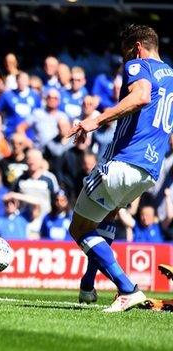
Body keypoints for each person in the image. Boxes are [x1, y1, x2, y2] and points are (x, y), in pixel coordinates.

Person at [66, 25, 172, 312]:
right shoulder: (171, 75)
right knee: (106, 217)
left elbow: (140, 97)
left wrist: (94, 120)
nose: (125, 61)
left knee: (78, 228)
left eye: (126, 53)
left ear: (137, 47)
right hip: (149, 170)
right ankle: (88, 285)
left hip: (125, 161)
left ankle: (127, 289)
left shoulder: (139, 65)